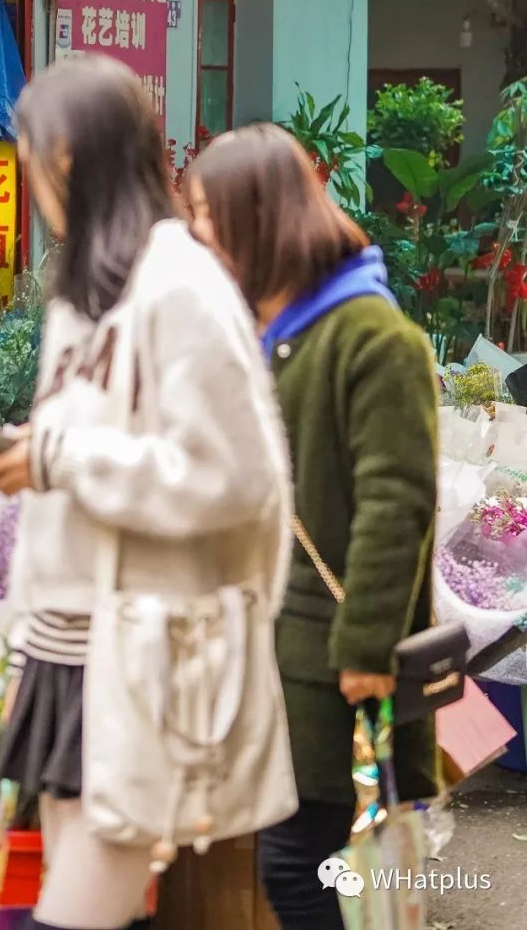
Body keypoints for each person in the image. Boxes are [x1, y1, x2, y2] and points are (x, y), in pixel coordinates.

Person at [0, 58, 295, 930]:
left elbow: (237, 476)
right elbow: (86, 454)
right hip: (68, 644)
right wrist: (38, 458)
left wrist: (60, 456)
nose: (24, 176)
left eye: (27, 153)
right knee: (91, 902)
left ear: (66, 156)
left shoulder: (179, 281)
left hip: (145, 653)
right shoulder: (80, 294)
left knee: (77, 911)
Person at [185, 125, 439, 930]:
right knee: (308, 862)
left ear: (256, 220)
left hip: (336, 661)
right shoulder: (278, 335)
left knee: (304, 865)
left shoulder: (372, 336)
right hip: (286, 651)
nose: (196, 233)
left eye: (206, 214)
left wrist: (367, 651)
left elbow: (396, 501)